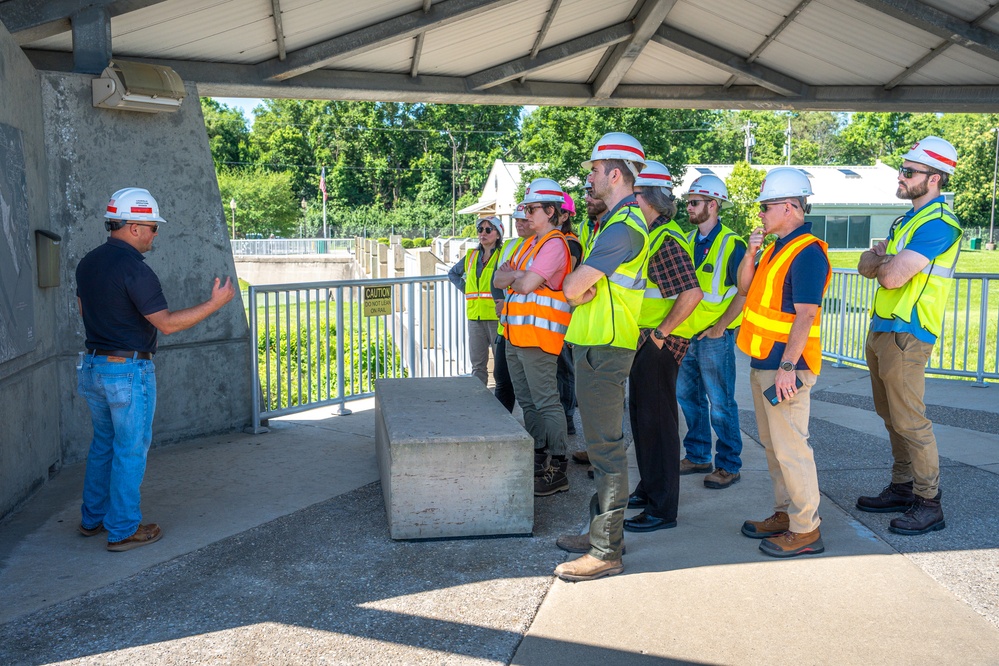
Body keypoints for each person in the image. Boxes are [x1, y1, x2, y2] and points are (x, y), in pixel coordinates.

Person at [76, 187, 235, 552]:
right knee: (131, 449)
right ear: (133, 227)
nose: (155, 234)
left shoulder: (88, 262)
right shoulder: (135, 269)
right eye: (152, 227)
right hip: (127, 372)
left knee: (103, 445)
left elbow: (85, 313)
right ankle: (123, 529)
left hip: (93, 366)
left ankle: (92, 519)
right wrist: (215, 303)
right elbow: (166, 324)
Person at [553, 132, 649, 582]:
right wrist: (580, 287)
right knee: (599, 449)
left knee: (606, 453)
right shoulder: (615, 223)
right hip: (600, 344)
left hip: (605, 348)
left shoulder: (623, 227)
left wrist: (579, 287)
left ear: (614, 174)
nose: (588, 178)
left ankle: (605, 550)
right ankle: (602, 534)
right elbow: (578, 287)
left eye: (593, 170)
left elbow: (572, 288)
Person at [855, 136, 961, 535]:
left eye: (909, 171)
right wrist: (884, 262)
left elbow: (890, 274)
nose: (900, 176)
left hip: (908, 334)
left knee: (910, 421)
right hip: (883, 331)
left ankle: (929, 502)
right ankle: (902, 487)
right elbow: (867, 265)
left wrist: (883, 262)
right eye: (903, 168)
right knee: (891, 418)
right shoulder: (906, 221)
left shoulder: (939, 224)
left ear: (934, 179)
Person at [736, 167, 830, 558]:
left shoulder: (807, 252)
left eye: (766, 206)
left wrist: (789, 368)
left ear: (790, 207)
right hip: (765, 363)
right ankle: (785, 514)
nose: (760, 213)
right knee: (775, 448)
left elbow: (806, 316)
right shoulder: (775, 248)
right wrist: (752, 251)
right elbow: (744, 288)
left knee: (792, 449)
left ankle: (806, 529)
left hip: (786, 369)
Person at [625, 160, 702, 533]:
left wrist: (659, 334)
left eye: (633, 195)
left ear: (649, 198)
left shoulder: (665, 238)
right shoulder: (651, 233)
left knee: (658, 426)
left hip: (658, 346)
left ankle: (662, 509)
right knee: (643, 421)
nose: (627, 202)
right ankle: (649, 487)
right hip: (644, 344)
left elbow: (692, 293)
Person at [494, 179, 573, 497]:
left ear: (551, 211)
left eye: (532, 208)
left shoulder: (554, 244)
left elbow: (525, 286)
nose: (525, 212)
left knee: (545, 402)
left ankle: (559, 467)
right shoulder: (529, 244)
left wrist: (517, 277)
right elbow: (501, 279)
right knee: (527, 401)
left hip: (540, 337)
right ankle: (539, 455)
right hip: (515, 334)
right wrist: (518, 276)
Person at [675, 174, 747, 489]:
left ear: (713, 205)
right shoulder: (688, 241)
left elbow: (745, 293)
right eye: (687, 202)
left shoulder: (733, 244)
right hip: (686, 335)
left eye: (694, 202)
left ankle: (729, 465)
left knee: (720, 403)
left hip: (714, 338)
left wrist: (720, 327)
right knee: (688, 398)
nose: (688, 207)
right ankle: (699, 454)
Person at [570, 181, 608, 468]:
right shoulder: (592, 228)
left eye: (591, 191)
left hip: (611, 333)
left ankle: (602, 459)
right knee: (592, 405)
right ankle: (594, 451)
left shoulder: (617, 228)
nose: (587, 197)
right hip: (589, 326)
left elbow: (572, 287)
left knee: (603, 406)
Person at [448, 216, 503, 386]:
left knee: (501, 366)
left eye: (488, 230)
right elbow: (453, 273)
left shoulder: (502, 255)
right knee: (477, 365)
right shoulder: (472, 255)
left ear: (498, 234)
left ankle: (502, 402)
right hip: (475, 317)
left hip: (496, 317)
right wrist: (469, 291)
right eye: (480, 230)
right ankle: (480, 401)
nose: (483, 234)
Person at [491, 206, 530, 412]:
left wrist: (511, 277)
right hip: (506, 325)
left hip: (530, 327)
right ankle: (501, 431)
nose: (519, 224)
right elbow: (496, 280)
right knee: (503, 381)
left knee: (530, 390)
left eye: (524, 220)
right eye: (517, 220)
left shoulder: (544, 245)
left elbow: (532, 285)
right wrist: (500, 302)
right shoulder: (510, 246)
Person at [557, 192, 582, 436]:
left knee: (564, 368)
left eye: (557, 211)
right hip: (553, 313)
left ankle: (567, 418)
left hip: (565, 312)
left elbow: (568, 277)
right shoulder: (553, 239)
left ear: (565, 215)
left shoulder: (570, 242)